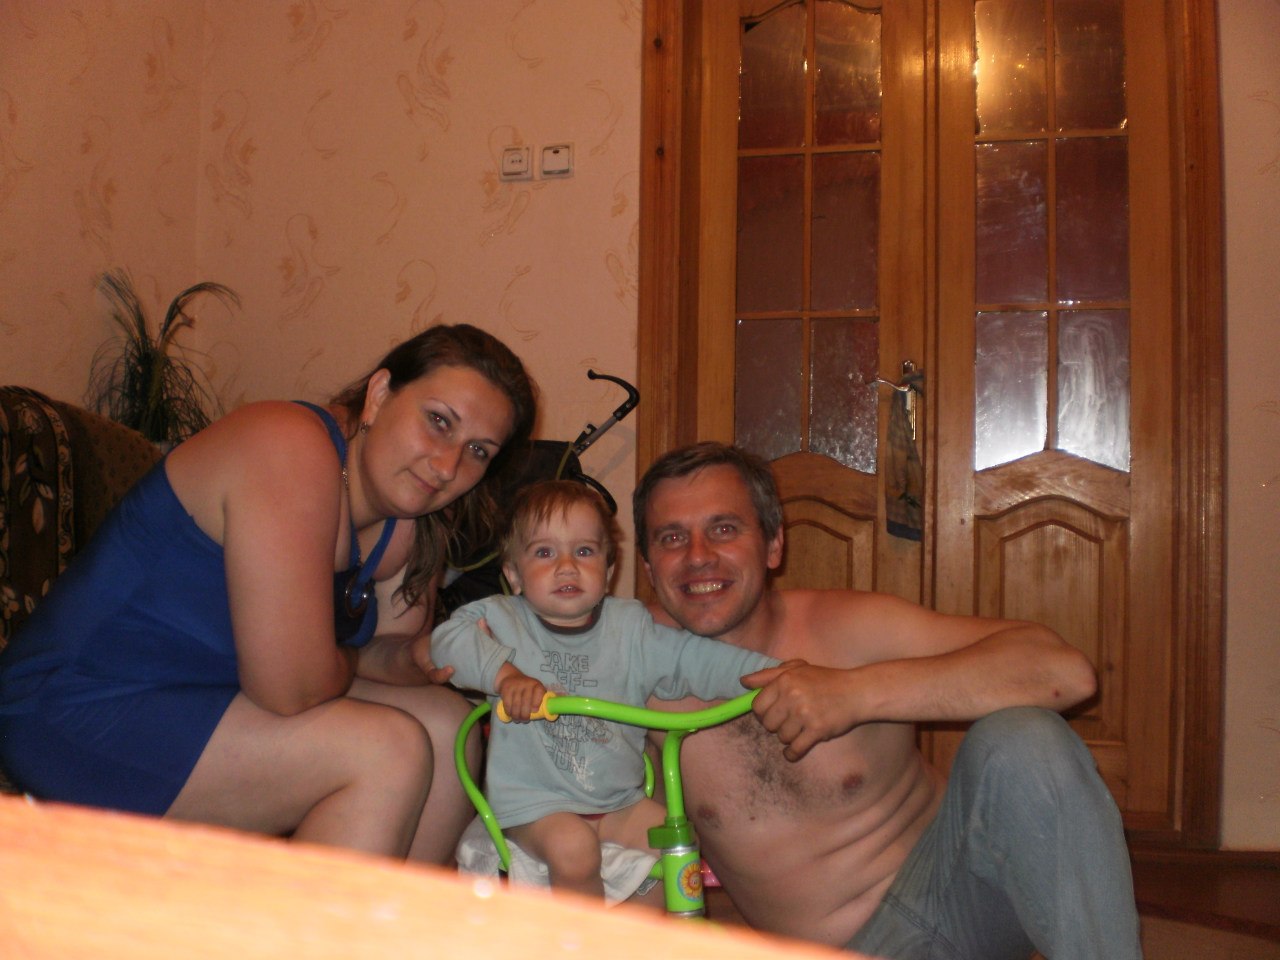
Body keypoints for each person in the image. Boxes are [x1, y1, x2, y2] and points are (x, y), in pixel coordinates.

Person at [0, 323, 537, 866]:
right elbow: (291, 689)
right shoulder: (288, 444)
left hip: (210, 698)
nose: (447, 466)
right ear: (379, 395)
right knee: (385, 750)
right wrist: (355, 660)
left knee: (446, 726)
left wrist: (426, 656)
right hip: (79, 705)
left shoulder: (412, 523)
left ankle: (391, 918)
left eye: (477, 451)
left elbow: (385, 659)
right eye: (438, 421)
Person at [633, 441, 1143, 959]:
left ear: (773, 545)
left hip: (963, 897)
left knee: (1023, 739)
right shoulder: (630, 667)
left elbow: (1063, 673)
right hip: (849, 950)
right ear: (649, 567)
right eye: (671, 537)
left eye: (724, 529)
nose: (698, 556)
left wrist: (857, 692)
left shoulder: (849, 628)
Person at [430, 479, 780, 903]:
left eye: (584, 551)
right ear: (514, 575)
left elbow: (698, 659)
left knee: (676, 840)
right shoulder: (503, 620)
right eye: (544, 553)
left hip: (619, 803)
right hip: (534, 807)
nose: (566, 566)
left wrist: (774, 674)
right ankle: (582, 937)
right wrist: (505, 678)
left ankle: (641, 934)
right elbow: (447, 641)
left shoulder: (631, 628)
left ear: (608, 571)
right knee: (573, 847)